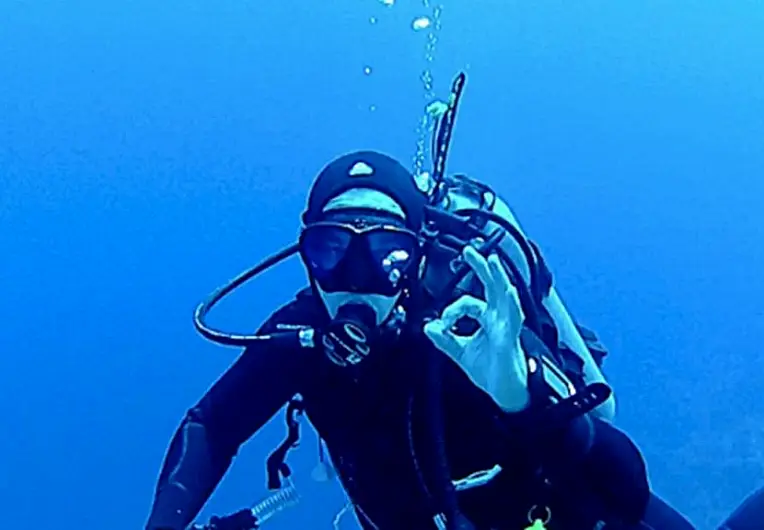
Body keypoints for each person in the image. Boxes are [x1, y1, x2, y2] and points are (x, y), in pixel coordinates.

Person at [145, 149, 699, 530]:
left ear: (416, 256)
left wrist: (521, 399)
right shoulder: (300, 341)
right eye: (333, 250)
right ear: (306, 258)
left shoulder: (470, 325)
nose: (358, 280)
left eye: (387, 254)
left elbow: (624, 488)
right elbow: (212, 425)